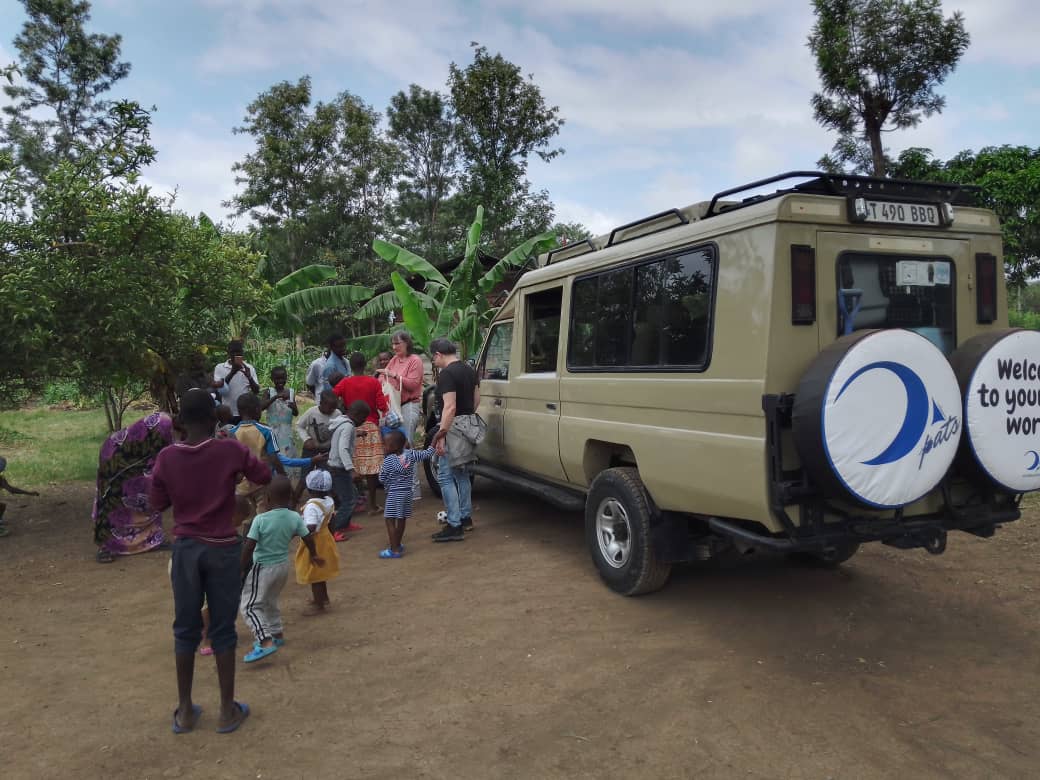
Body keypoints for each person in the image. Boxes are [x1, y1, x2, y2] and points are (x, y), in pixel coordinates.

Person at [150, 388, 271, 734]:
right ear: (216, 417)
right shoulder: (229, 449)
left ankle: (186, 711)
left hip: (186, 548)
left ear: (181, 421)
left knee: (185, 629)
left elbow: (157, 503)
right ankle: (226, 711)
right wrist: (231, 478)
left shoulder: (167, 458)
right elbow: (262, 476)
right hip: (221, 547)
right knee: (222, 630)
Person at [239, 475, 323, 663]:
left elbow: (249, 546)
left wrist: (240, 568)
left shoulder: (260, 520)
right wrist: (314, 554)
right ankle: (277, 634)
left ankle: (265, 641)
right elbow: (307, 536)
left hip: (263, 567)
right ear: (290, 497)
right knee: (270, 600)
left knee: (250, 606)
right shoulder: (293, 517)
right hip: (282, 567)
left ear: (266, 499)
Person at [92, 412, 175, 563]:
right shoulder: (165, 424)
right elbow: (161, 459)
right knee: (112, 499)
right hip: (114, 456)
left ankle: (152, 539)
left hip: (138, 456)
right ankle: (106, 546)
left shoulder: (171, 426)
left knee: (148, 494)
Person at [232, 393, 321, 528]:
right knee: (263, 518)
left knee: (247, 522)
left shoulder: (232, 432)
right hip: (261, 483)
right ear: (258, 410)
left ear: (239, 411)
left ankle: (248, 545)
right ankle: (262, 545)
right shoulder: (266, 431)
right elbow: (274, 458)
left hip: (241, 486)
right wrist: (283, 478)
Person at [429, 338, 481, 542]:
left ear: (438, 355)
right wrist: (466, 418)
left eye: (434, 359)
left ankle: (454, 524)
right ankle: (465, 517)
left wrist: (441, 433)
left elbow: (449, 407)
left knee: (445, 476)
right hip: (468, 424)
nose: (434, 363)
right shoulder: (469, 369)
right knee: (462, 473)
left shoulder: (447, 374)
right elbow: (477, 399)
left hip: (452, 427)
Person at [334, 352, 388, 514]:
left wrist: (343, 410)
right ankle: (372, 504)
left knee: (353, 464)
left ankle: (355, 501)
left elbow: (332, 396)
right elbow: (382, 406)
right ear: (365, 365)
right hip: (370, 426)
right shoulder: (374, 382)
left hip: (351, 426)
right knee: (371, 469)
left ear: (351, 366)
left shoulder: (344, 382)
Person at [377, 330, 426, 500]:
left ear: (407, 343)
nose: (394, 346)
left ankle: (414, 490)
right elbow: (384, 379)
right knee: (393, 447)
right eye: (393, 343)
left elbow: (413, 385)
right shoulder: (393, 360)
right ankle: (399, 487)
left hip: (409, 405)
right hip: (395, 407)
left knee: (407, 445)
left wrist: (395, 376)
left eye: (397, 343)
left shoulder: (415, 360)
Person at [378, 430, 435, 558]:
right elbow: (428, 453)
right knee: (401, 518)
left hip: (393, 494)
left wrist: (387, 484)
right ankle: (397, 543)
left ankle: (394, 550)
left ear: (393, 447)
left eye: (385, 444)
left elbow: (382, 478)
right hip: (407, 493)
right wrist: (435, 438)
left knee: (389, 520)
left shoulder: (388, 461)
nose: (383, 447)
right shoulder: (411, 454)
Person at [294, 469, 339, 613]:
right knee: (321, 573)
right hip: (325, 538)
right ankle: (323, 598)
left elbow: (311, 527)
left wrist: (298, 531)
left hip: (314, 542)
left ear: (309, 488)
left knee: (314, 575)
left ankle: (318, 605)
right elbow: (331, 520)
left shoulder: (312, 506)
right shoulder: (329, 501)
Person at [327, 400, 370, 541]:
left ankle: (345, 523)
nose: (363, 422)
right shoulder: (348, 427)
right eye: (363, 418)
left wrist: (357, 433)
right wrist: (351, 469)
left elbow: (342, 438)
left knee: (353, 494)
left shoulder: (344, 423)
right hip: (339, 468)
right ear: (357, 414)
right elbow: (343, 448)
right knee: (348, 500)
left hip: (337, 466)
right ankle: (335, 530)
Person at [213, 340, 260, 422]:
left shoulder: (249, 368)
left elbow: (256, 391)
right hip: (227, 413)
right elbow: (220, 390)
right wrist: (232, 372)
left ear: (242, 353)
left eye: (238, 352)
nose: (235, 355)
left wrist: (249, 377)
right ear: (228, 353)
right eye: (233, 352)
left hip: (245, 414)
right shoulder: (220, 367)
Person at [260, 366, 299, 466]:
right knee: (273, 456)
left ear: (286, 378)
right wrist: (276, 397)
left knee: (287, 456)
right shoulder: (268, 392)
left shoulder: (290, 392)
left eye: (282, 378)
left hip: (287, 432)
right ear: (272, 379)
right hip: (273, 430)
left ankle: (286, 478)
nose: (280, 381)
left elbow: (295, 413)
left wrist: (293, 406)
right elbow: (261, 407)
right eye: (277, 378)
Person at [0, 456, 39, 537]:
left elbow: (11, 489)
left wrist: (29, 493)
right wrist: (29, 493)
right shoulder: (1, 479)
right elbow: (12, 490)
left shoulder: (1, 479)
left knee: (2, 506)